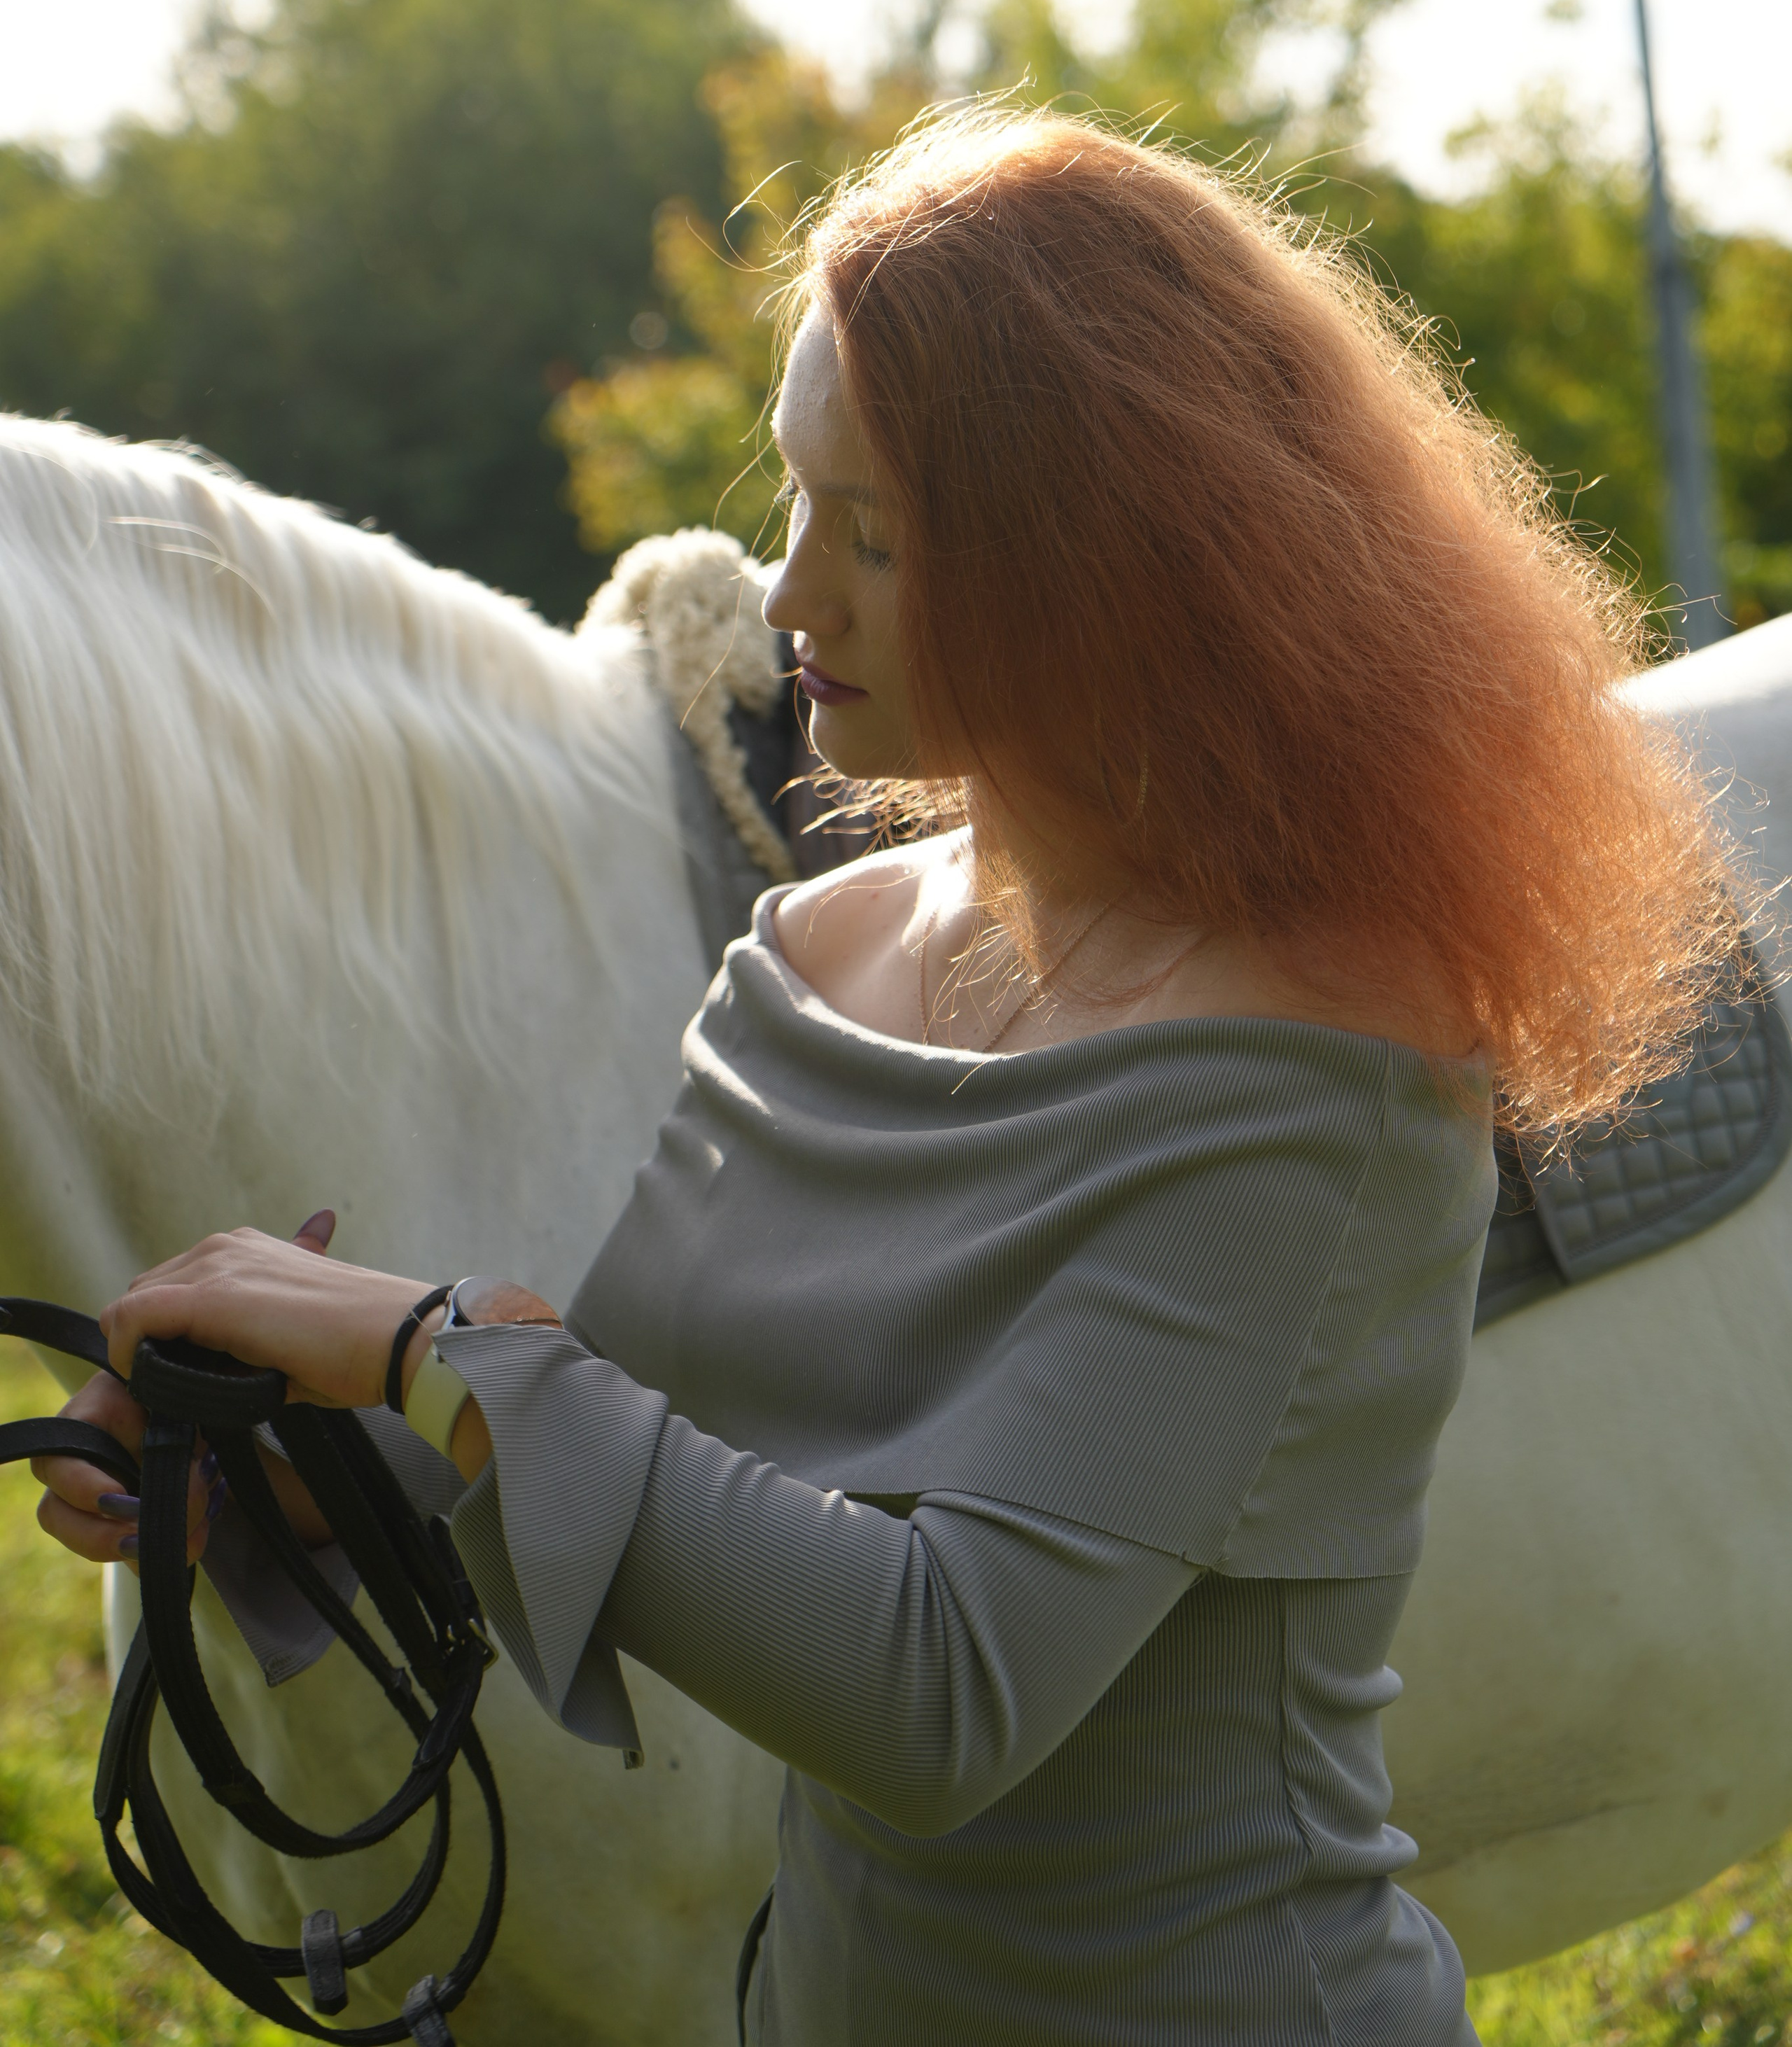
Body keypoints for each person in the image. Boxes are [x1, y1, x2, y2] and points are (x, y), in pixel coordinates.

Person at [36, 111, 1734, 2043]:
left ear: (1094, 567)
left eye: (873, 536)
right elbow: (652, 1446)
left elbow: (938, 1692)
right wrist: (290, 1463)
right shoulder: (824, 952)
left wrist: (440, 1339)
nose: (785, 600)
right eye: (792, 505)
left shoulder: (1322, 1073)